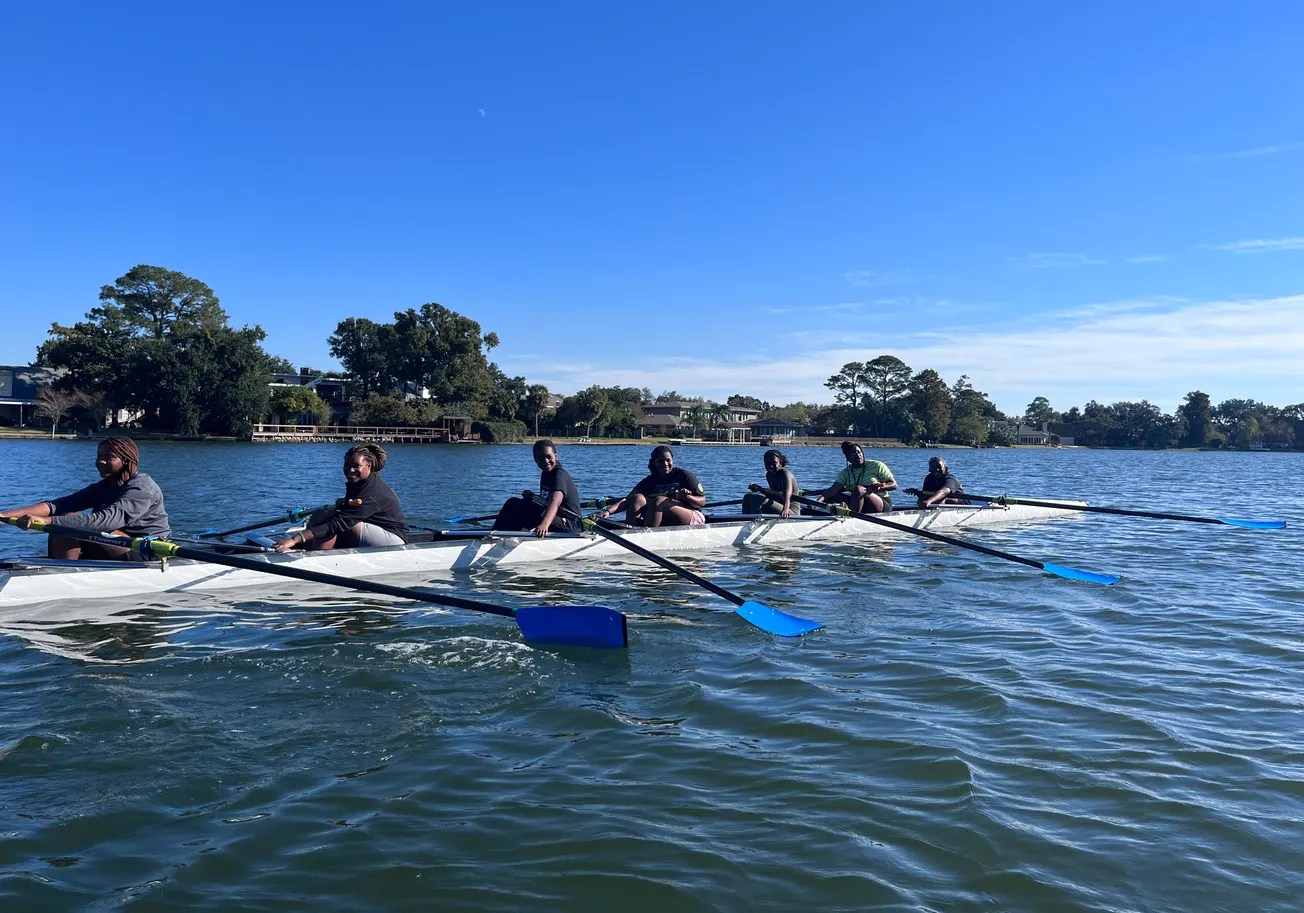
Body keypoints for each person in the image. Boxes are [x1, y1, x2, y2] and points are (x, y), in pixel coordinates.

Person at [0, 436, 170, 560]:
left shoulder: (142, 487)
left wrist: (46, 521)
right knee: (64, 519)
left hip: (146, 551)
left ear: (126, 461)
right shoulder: (104, 486)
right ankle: (61, 570)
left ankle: (63, 576)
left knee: (66, 522)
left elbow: (105, 522)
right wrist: (4, 515)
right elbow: (56, 505)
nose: (100, 462)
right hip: (113, 543)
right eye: (99, 456)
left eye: (108, 457)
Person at [272, 444, 408, 552]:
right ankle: (308, 550)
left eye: (356, 466)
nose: (350, 470)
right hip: (371, 527)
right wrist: (344, 503)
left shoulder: (372, 492)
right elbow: (350, 509)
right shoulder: (359, 481)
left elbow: (339, 523)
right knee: (321, 514)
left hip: (394, 539)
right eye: (347, 465)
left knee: (331, 521)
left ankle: (318, 560)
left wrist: (295, 538)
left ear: (369, 466)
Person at [595, 445, 707, 528]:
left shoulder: (684, 475)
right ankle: (631, 532)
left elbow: (702, 501)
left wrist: (687, 497)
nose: (665, 464)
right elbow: (627, 500)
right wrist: (608, 511)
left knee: (659, 501)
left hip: (692, 516)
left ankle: (646, 536)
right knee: (636, 498)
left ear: (672, 461)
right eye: (660, 461)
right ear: (653, 463)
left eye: (668, 460)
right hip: (664, 517)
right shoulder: (649, 481)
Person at [492, 439, 581, 537]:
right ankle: (495, 533)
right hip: (555, 517)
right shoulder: (546, 473)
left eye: (549, 457)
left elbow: (555, 502)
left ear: (556, 456)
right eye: (541, 458)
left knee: (528, 510)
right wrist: (532, 496)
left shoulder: (558, 476)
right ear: (535, 459)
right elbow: (545, 500)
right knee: (513, 502)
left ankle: (509, 536)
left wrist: (544, 525)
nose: (546, 461)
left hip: (570, 524)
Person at [817, 441, 897, 513]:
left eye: (859, 452)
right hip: (860, 504)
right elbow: (833, 489)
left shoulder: (877, 465)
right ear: (848, 458)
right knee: (831, 496)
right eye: (853, 453)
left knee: (859, 489)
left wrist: (882, 487)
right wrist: (818, 502)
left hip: (881, 504)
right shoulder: (845, 473)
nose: (858, 455)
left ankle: (852, 518)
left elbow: (894, 484)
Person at [744, 449, 802, 519]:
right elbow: (773, 495)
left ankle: (756, 521)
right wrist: (759, 489)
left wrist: (786, 509)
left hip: (790, 511)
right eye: (767, 463)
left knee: (755, 499)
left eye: (774, 463)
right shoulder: (769, 475)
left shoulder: (785, 474)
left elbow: (787, 494)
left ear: (780, 463)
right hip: (779, 505)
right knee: (747, 497)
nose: (770, 466)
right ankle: (745, 519)